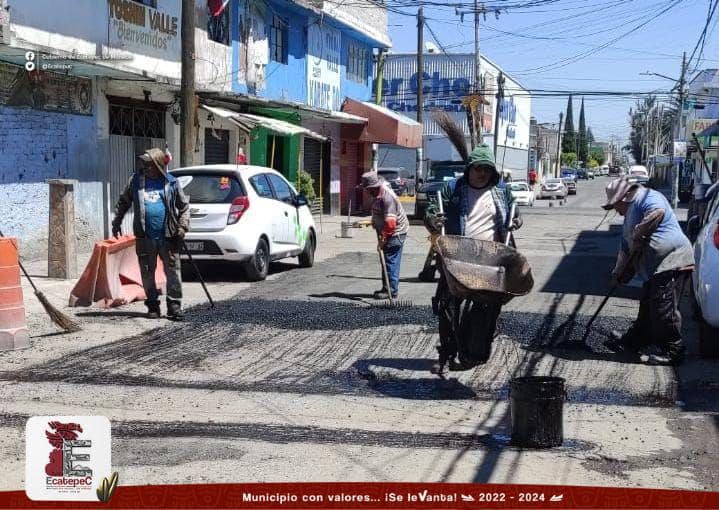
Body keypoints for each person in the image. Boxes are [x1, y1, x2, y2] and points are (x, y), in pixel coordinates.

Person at [425, 144, 522, 373]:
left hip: (492, 257)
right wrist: (433, 219)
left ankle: (475, 348)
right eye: (478, 168)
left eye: (487, 169)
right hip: (457, 256)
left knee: (488, 305)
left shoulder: (501, 190)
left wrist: (516, 220)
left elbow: (514, 213)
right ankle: (448, 350)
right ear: (469, 168)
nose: (482, 173)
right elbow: (431, 208)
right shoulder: (453, 188)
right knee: (448, 306)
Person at [601, 177, 694, 365]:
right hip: (655, 269)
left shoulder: (648, 197)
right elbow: (625, 252)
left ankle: (674, 351)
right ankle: (635, 341)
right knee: (647, 309)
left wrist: (640, 232)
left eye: (615, 206)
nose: (616, 211)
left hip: (673, 261)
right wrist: (618, 275)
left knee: (662, 310)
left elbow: (657, 213)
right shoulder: (627, 219)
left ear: (624, 198)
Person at [112, 148, 190, 320]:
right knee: (147, 272)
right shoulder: (135, 182)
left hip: (168, 237)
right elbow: (123, 202)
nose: (145, 167)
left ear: (158, 165)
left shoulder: (172, 183)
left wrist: (182, 227)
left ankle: (174, 306)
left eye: (149, 164)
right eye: (144, 164)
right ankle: (153, 306)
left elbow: (184, 207)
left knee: (173, 272)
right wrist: (116, 222)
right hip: (145, 237)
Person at [361, 171, 409, 300]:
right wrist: (374, 222)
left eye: (367, 189)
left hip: (395, 233)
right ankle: (387, 287)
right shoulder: (378, 194)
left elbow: (391, 224)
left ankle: (391, 290)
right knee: (387, 261)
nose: (366, 191)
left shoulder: (387, 198)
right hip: (388, 231)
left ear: (373, 187)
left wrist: (383, 239)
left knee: (390, 261)